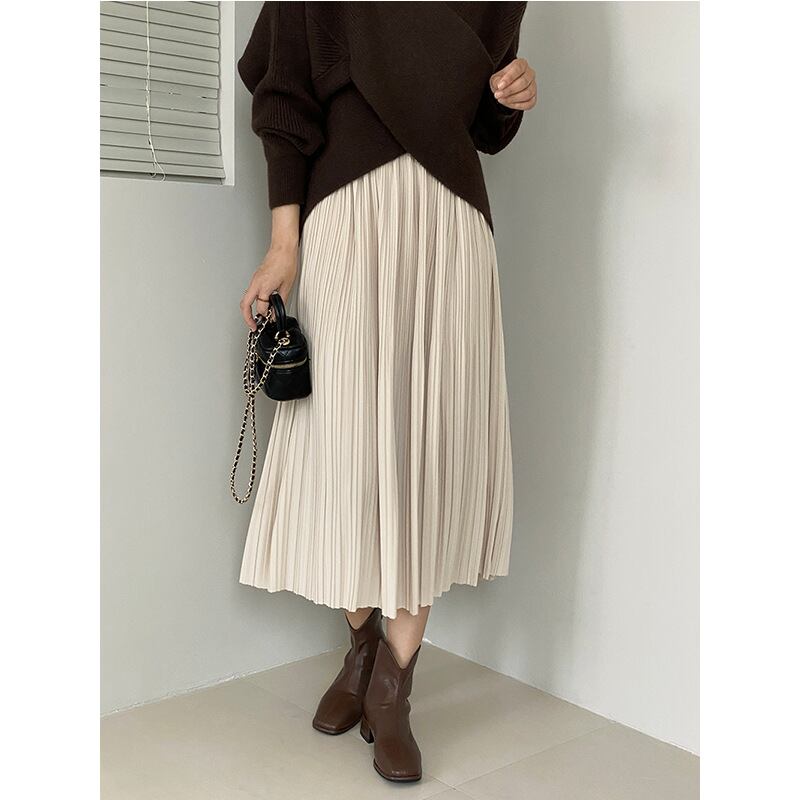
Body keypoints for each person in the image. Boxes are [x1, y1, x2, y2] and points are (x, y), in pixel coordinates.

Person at [237, 1, 536, 783]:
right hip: (347, 216)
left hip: (451, 226)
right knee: (347, 451)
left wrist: (512, 94)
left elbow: (483, 120)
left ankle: (393, 687)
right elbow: (284, 94)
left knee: (425, 449)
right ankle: (362, 645)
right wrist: (283, 244)